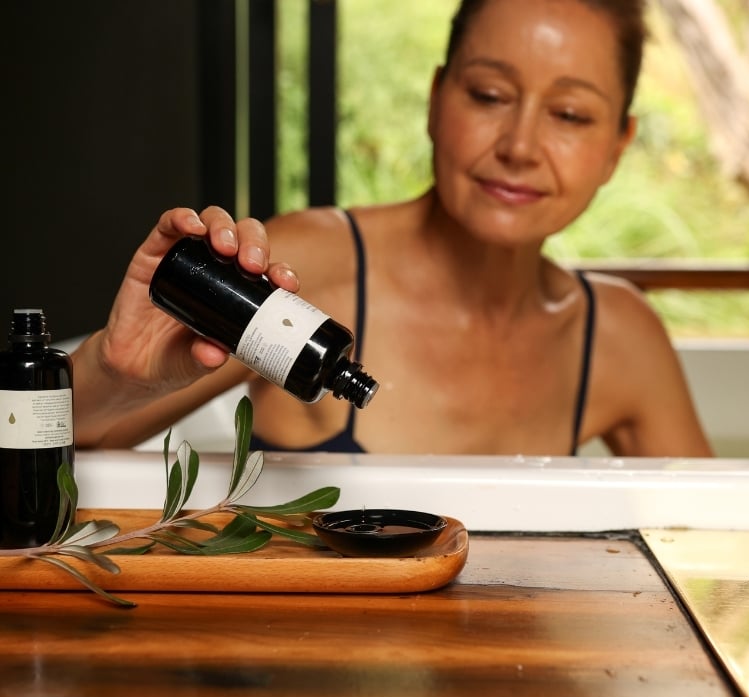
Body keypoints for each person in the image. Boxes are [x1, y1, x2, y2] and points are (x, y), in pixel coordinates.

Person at [72, 0, 712, 457]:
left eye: (570, 114)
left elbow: (727, 550)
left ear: (617, 147)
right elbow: (41, 458)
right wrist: (112, 369)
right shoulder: (307, 273)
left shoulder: (619, 338)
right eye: (489, 95)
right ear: (437, 98)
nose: (520, 145)